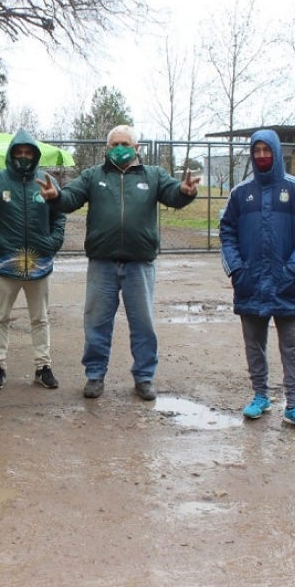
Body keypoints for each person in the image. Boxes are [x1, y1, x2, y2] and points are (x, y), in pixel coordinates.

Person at [38, 124, 199, 400]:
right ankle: (95, 375)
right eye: (115, 144)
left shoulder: (153, 175)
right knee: (96, 323)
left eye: (125, 144)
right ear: (107, 148)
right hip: (102, 263)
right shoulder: (94, 175)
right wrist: (57, 196)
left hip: (139, 264)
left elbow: (174, 194)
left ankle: (144, 377)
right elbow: (71, 198)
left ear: (137, 148)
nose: (120, 149)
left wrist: (185, 192)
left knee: (143, 324)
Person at [219, 129, 295, 433]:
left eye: (267, 150)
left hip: (288, 285)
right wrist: (237, 270)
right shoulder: (241, 194)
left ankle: (294, 406)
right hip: (250, 284)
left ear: (276, 152)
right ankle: (260, 395)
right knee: (254, 345)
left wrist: (293, 272)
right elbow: (226, 232)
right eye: (257, 151)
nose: (262, 156)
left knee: (292, 348)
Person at [0, 129, 67, 391]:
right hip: (5, 263)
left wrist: (53, 243)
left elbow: (59, 213)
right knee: (0, 318)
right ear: (11, 154)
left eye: (28, 152)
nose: (23, 157)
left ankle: (43, 367)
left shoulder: (46, 181)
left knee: (40, 318)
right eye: (19, 152)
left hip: (39, 264)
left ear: (35, 155)